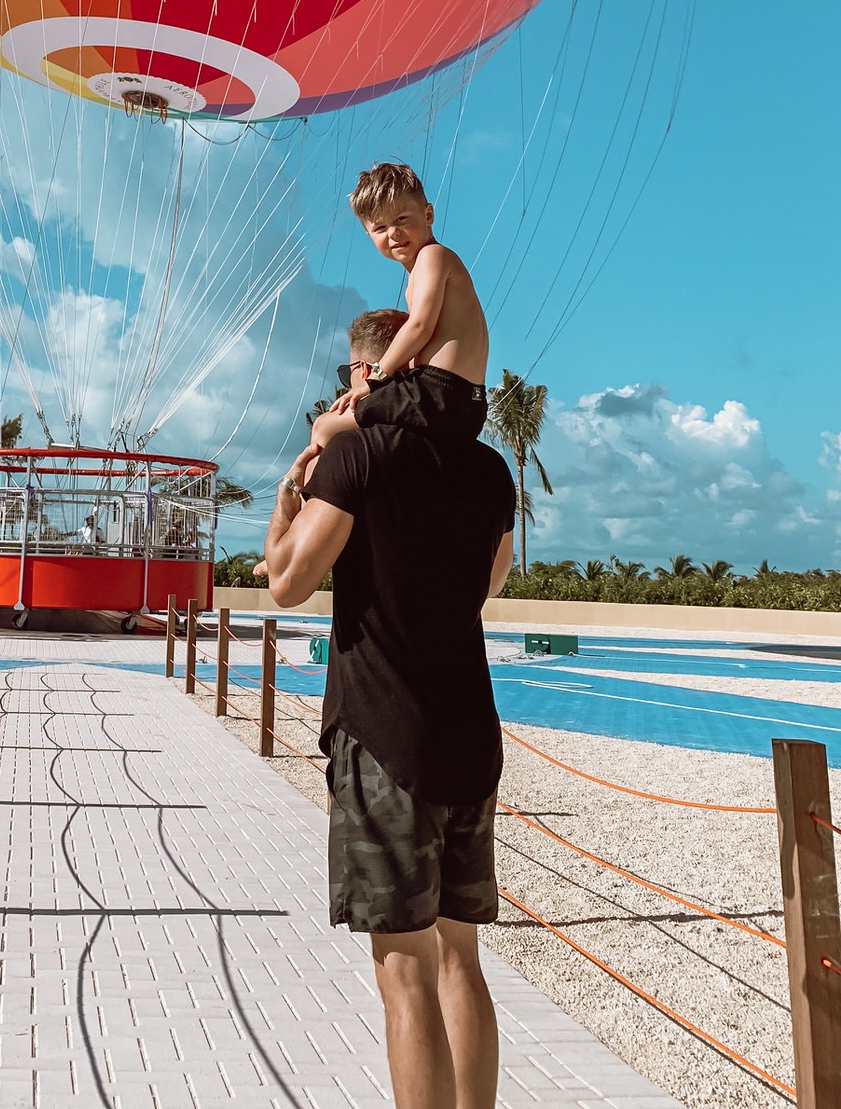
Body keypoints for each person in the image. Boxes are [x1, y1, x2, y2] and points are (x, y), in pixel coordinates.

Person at [262, 311, 516, 1109]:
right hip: (469, 732)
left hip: (384, 738)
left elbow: (287, 582)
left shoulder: (358, 456)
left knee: (403, 972)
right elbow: (488, 588)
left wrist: (289, 497)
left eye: (348, 378)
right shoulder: (489, 471)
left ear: (368, 376)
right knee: (460, 961)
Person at [311, 166, 489, 454]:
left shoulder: (433, 256)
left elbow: (419, 326)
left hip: (439, 392)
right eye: (380, 228)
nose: (393, 233)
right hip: (466, 401)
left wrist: (375, 379)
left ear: (428, 215)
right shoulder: (417, 275)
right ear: (369, 235)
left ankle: (304, 492)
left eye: (402, 220)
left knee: (325, 426)